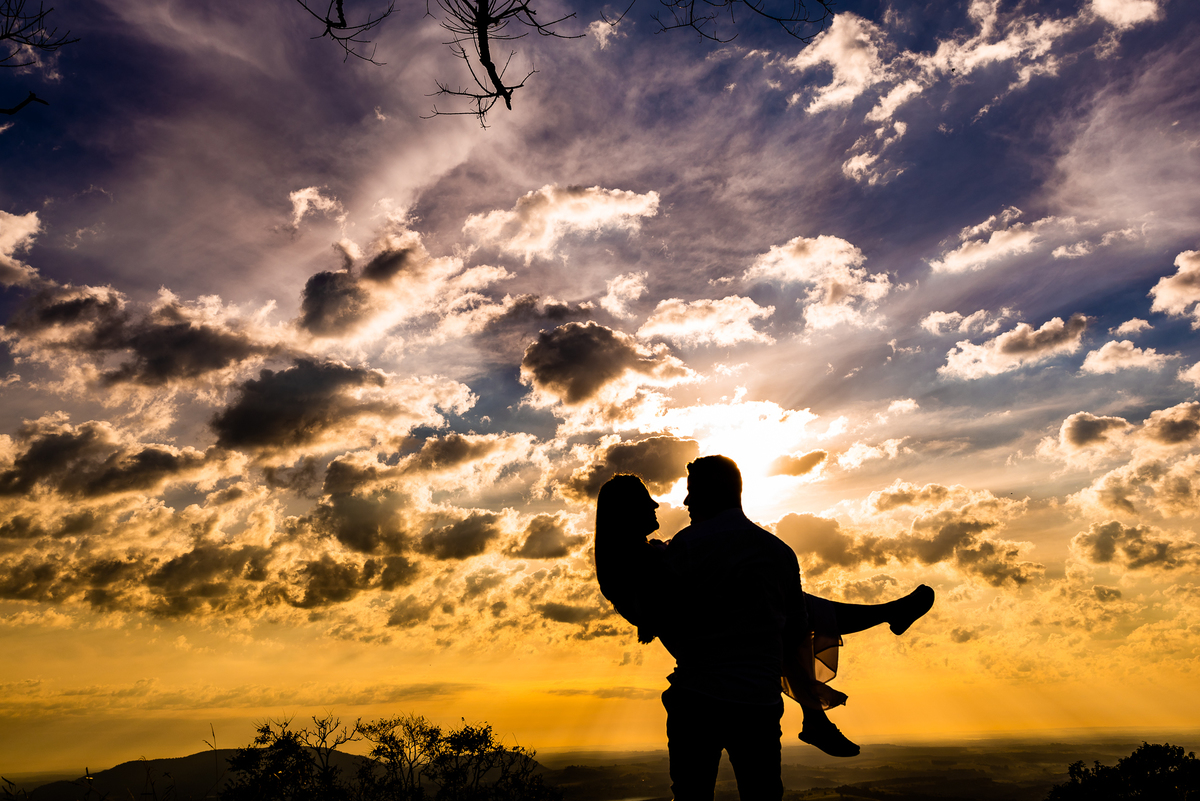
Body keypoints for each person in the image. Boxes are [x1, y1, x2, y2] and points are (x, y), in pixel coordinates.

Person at [594, 458, 934, 800]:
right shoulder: (774, 551)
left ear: (712, 493)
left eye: (691, 492)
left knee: (692, 797)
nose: (682, 502)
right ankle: (881, 624)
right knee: (761, 796)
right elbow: (795, 633)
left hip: (697, 699)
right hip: (755, 702)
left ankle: (878, 629)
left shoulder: (678, 550)